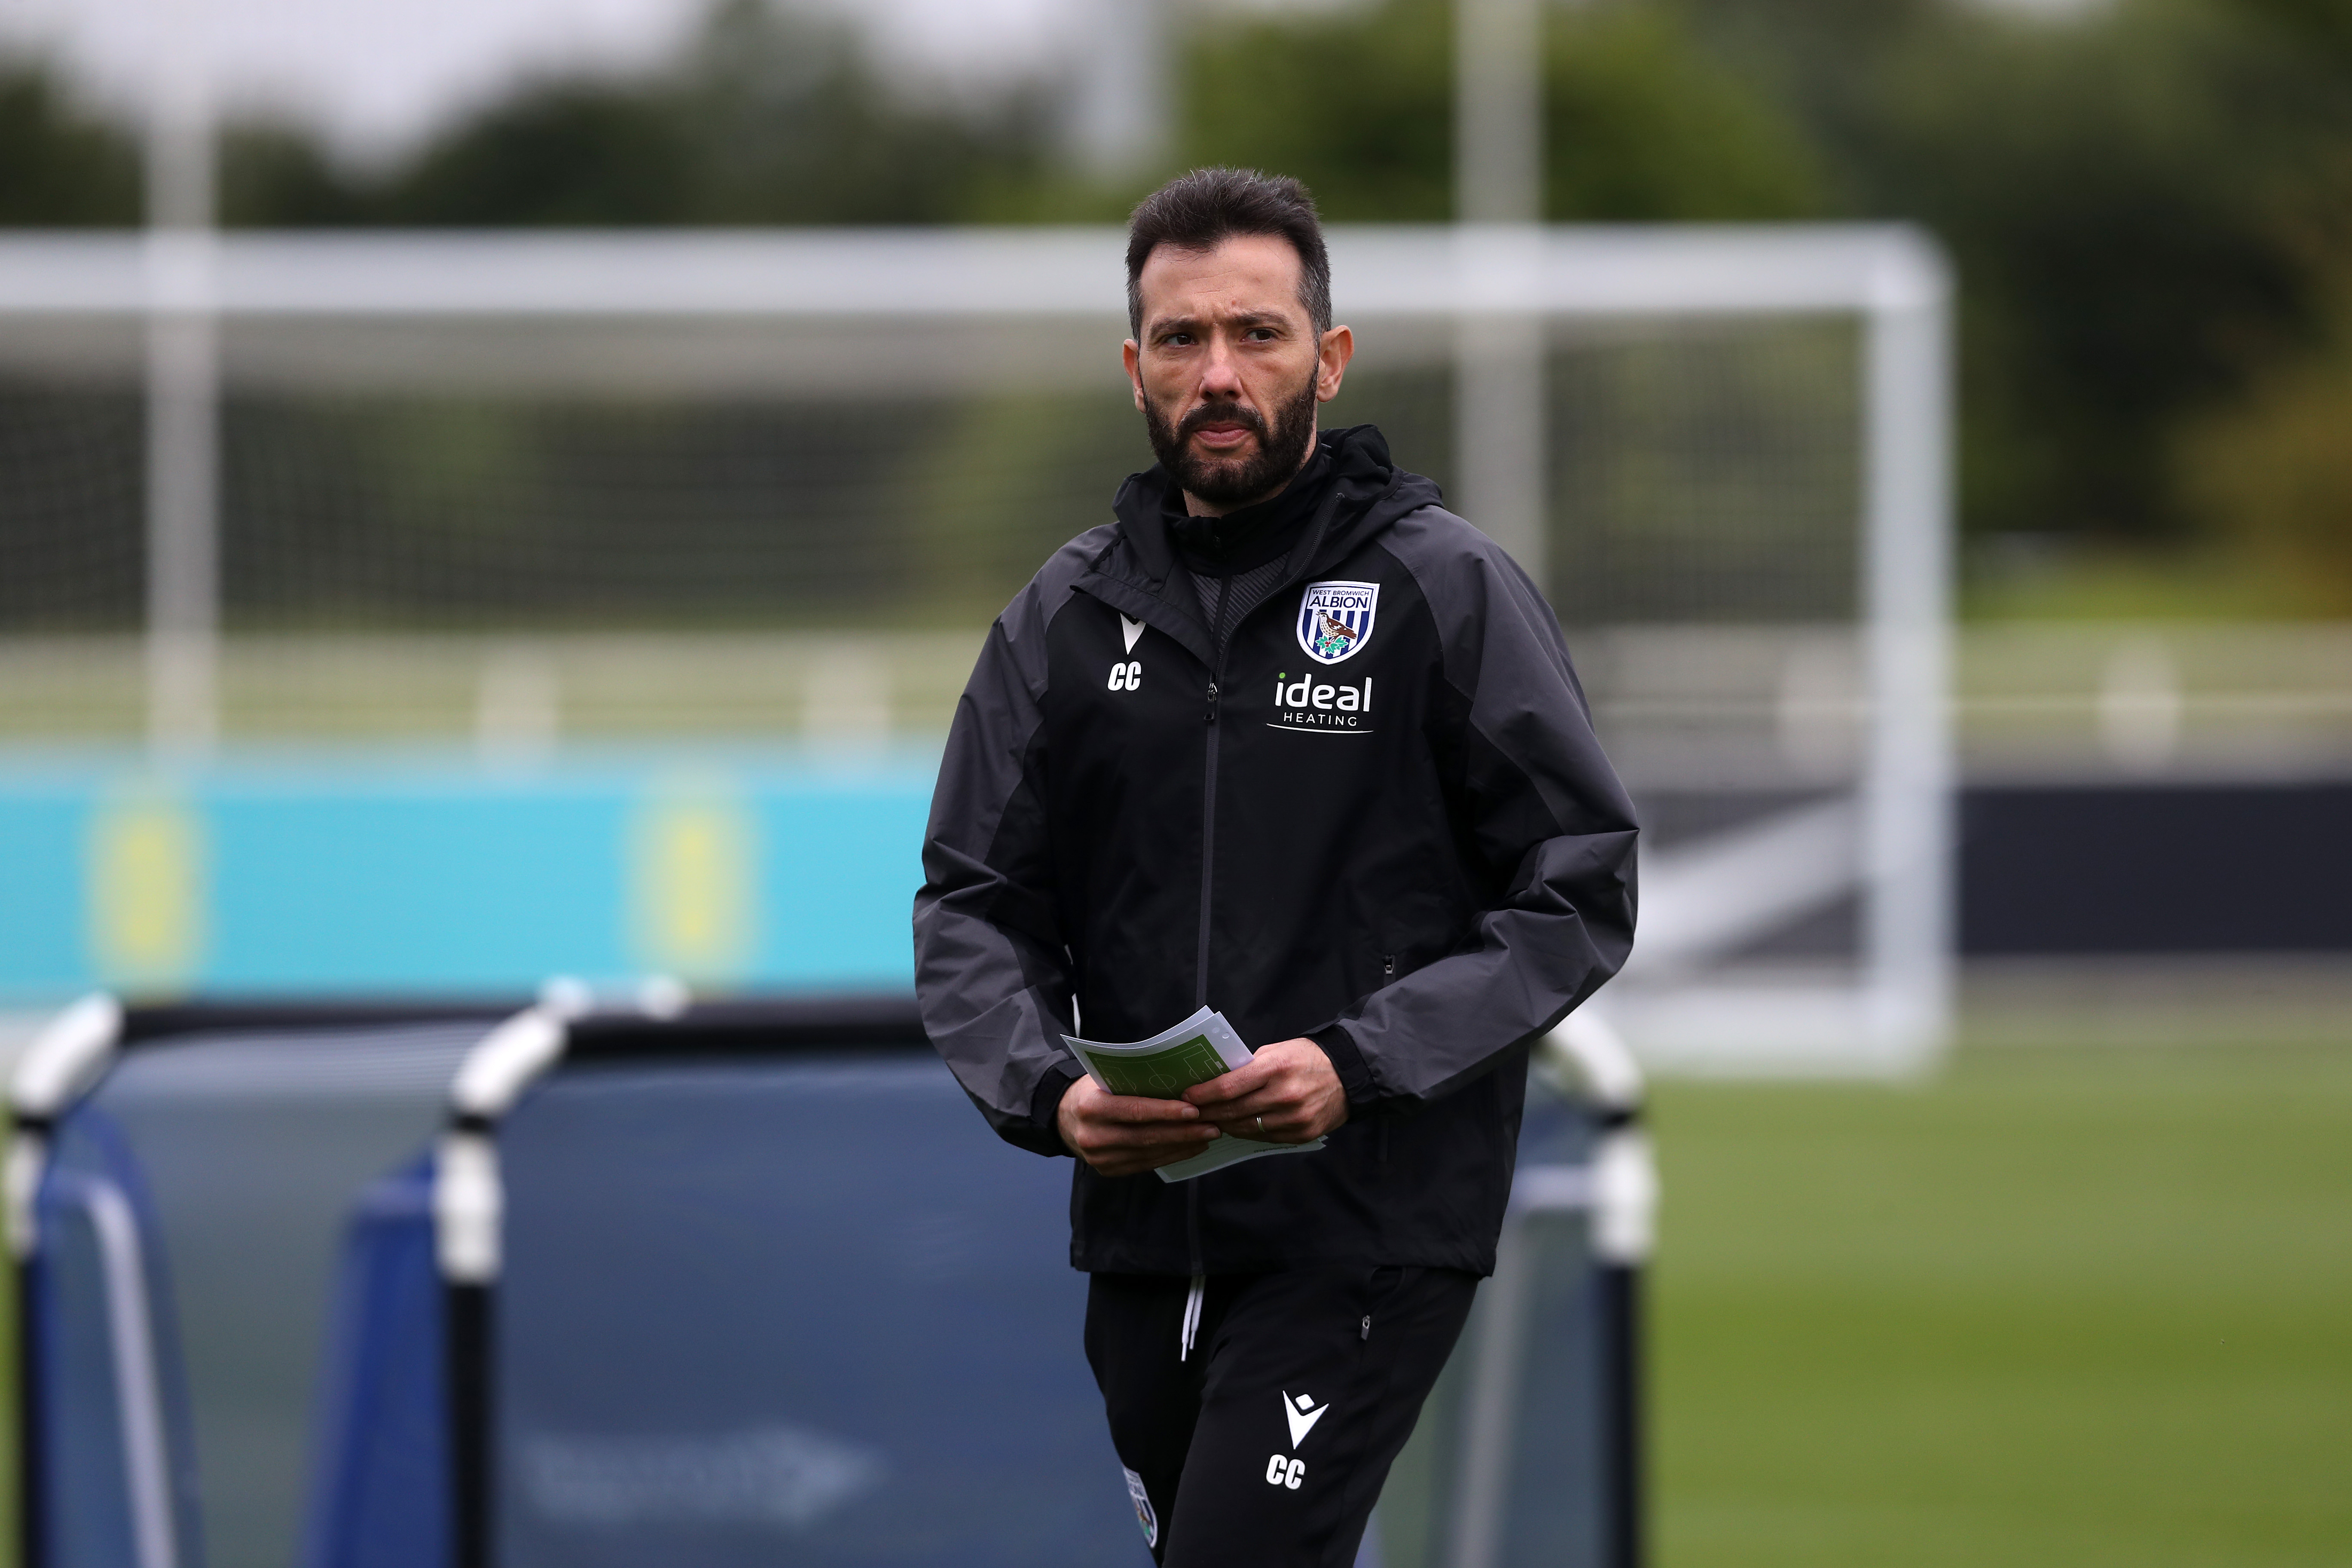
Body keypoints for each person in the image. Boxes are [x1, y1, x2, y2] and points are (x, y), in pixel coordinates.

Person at [914, 167, 1637, 1568]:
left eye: (1259, 334)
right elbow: (972, 906)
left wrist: (1357, 1064)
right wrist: (1051, 1093)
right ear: (1136, 369)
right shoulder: (1060, 619)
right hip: (1139, 1235)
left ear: (1331, 356)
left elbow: (1579, 881)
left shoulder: (1445, 588)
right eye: (1182, 341)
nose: (1221, 373)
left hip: (1365, 1223)